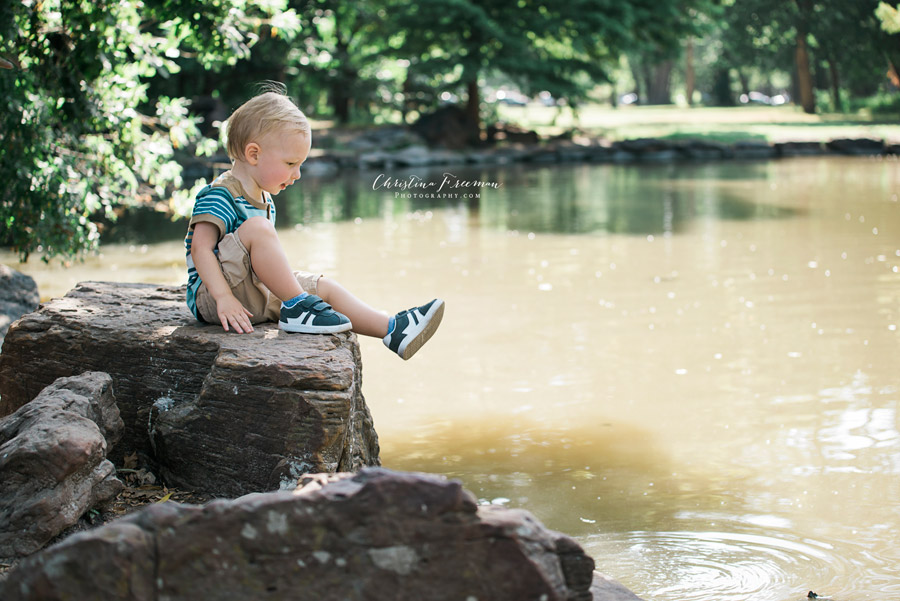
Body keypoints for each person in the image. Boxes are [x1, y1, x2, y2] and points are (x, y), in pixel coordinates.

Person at [184, 89, 443, 360]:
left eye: (301, 165)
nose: (297, 174)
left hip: (251, 291)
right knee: (259, 229)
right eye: (291, 163)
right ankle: (299, 308)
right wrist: (223, 297)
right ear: (253, 154)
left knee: (322, 286)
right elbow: (201, 249)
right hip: (214, 298)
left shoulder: (264, 198)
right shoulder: (221, 194)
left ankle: (392, 329)